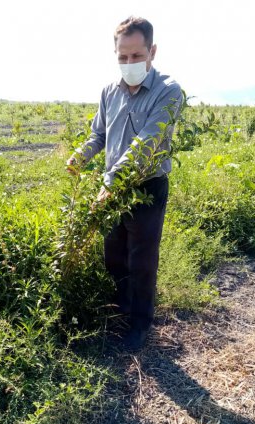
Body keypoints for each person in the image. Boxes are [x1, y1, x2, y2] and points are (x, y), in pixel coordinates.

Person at [66, 16, 183, 352]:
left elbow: (146, 143)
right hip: (110, 188)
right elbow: (99, 134)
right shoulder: (108, 91)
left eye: (136, 56)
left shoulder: (169, 91)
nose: (129, 63)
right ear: (115, 54)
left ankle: (140, 325)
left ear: (152, 51)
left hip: (146, 187)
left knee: (142, 260)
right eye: (122, 57)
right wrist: (80, 156)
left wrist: (112, 183)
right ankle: (122, 309)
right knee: (113, 255)